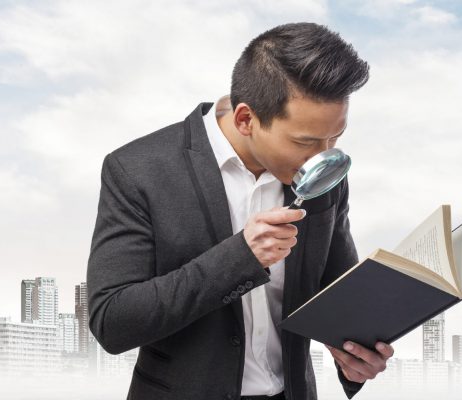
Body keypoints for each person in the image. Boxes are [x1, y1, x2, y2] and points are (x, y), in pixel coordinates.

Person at [87, 22, 393, 400]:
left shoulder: (321, 174)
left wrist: (357, 359)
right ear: (246, 119)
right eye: (305, 141)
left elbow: (338, 294)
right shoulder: (137, 170)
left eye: (335, 138)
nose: (323, 156)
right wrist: (240, 257)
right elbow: (112, 322)